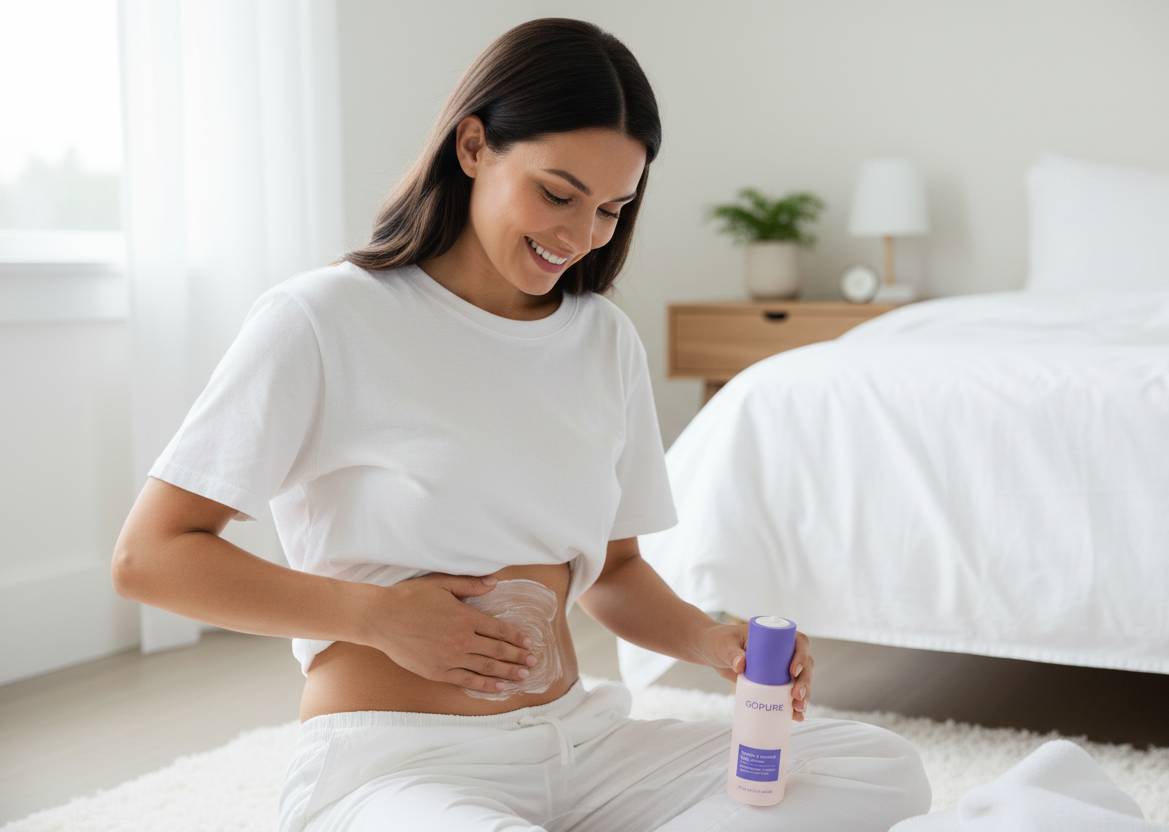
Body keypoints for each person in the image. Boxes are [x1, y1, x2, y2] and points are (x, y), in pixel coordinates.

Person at [111, 18, 930, 832]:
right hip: (397, 761)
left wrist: (713, 641)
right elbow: (151, 557)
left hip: (578, 743)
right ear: (473, 147)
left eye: (611, 209)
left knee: (875, 766)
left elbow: (613, 571)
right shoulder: (324, 318)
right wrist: (371, 615)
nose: (580, 236)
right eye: (557, 193)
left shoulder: (603, 340)